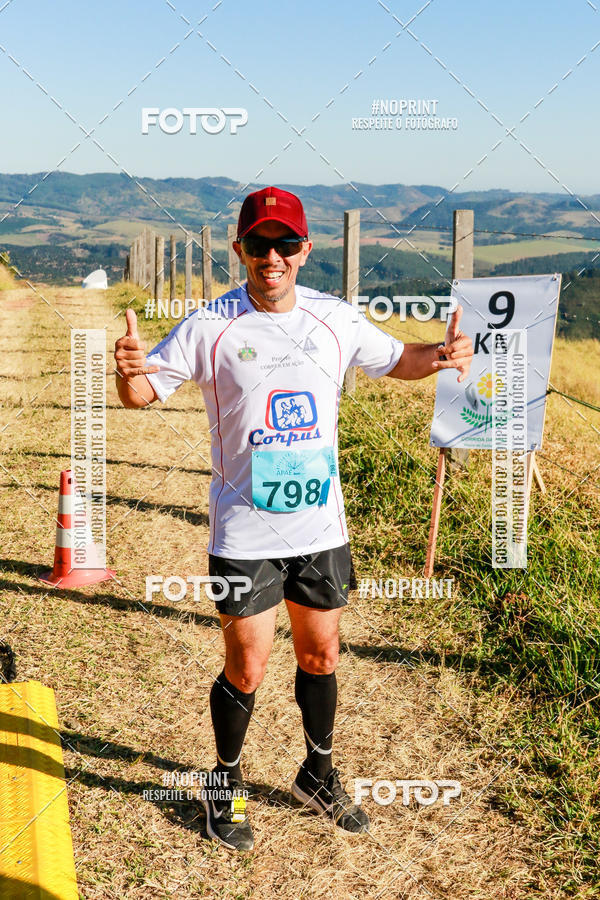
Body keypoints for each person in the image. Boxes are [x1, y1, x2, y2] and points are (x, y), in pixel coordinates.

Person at [114, 186, 473, 852]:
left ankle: (318, 771)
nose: (271, 257)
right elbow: (140, 394)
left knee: (321, 654)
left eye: (285, 244)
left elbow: (399, 361)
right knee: (248, 668)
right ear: (239, 250)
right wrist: (126, 370)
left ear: (305, 249)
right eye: (258, 244)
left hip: (320, 530)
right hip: (244, 534)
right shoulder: (208, 326)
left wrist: (444, 354)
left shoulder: (334, 318)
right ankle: (225, 782)